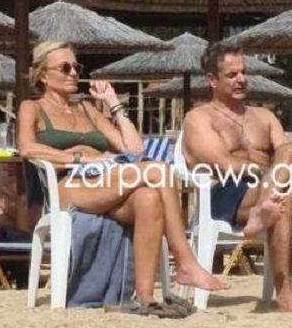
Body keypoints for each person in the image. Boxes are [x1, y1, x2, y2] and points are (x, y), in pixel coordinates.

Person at [17, 41, 228, 313]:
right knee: (159, 170)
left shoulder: (87, 109)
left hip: (106, 179)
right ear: (44, 76)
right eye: (65, 68)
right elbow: (26, 148)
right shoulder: (32, 108)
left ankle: (144, 298)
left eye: (77, 67)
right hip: (69, 185)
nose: (74, 73)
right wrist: (80, 158)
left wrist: (113, 103)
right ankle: (185, 260)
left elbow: (135, 149)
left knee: (149, 198)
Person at [182, 42, 292, 314]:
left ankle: (262, 213)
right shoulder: (199, 118)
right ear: (212, 80)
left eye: (243, 72)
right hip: (225, 195)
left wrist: (275, 176)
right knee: (285, 190)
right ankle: (286, 295)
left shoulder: (264, 116)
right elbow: (223, 164)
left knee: (289, 160)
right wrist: (270, 174)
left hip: (266, 194)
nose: (241, 79)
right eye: (232, 75)